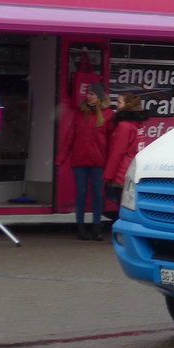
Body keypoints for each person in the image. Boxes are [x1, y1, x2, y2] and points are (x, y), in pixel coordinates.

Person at [56, 84, 114, 240]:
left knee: (97, 195)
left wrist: (111, 164)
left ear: (99, 97)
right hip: (80, 160)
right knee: (81, 194)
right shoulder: (80, 114)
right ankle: (80, 229)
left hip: (99, 162)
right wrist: (60, 158)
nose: (88, 96)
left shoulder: (108, 115)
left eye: (92, 94)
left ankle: (96, 228)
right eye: (88, 93)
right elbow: (70, 138)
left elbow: (112, 142)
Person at [103, 92, 151, 238]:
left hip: (122, 171)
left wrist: (108, 175)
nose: (117, 106)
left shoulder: (124, 126)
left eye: (119, 102)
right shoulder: (138, 125)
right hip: (132, 168)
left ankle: (124, 234)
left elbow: (117, 152)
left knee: (121, 205)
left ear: (127, 105)